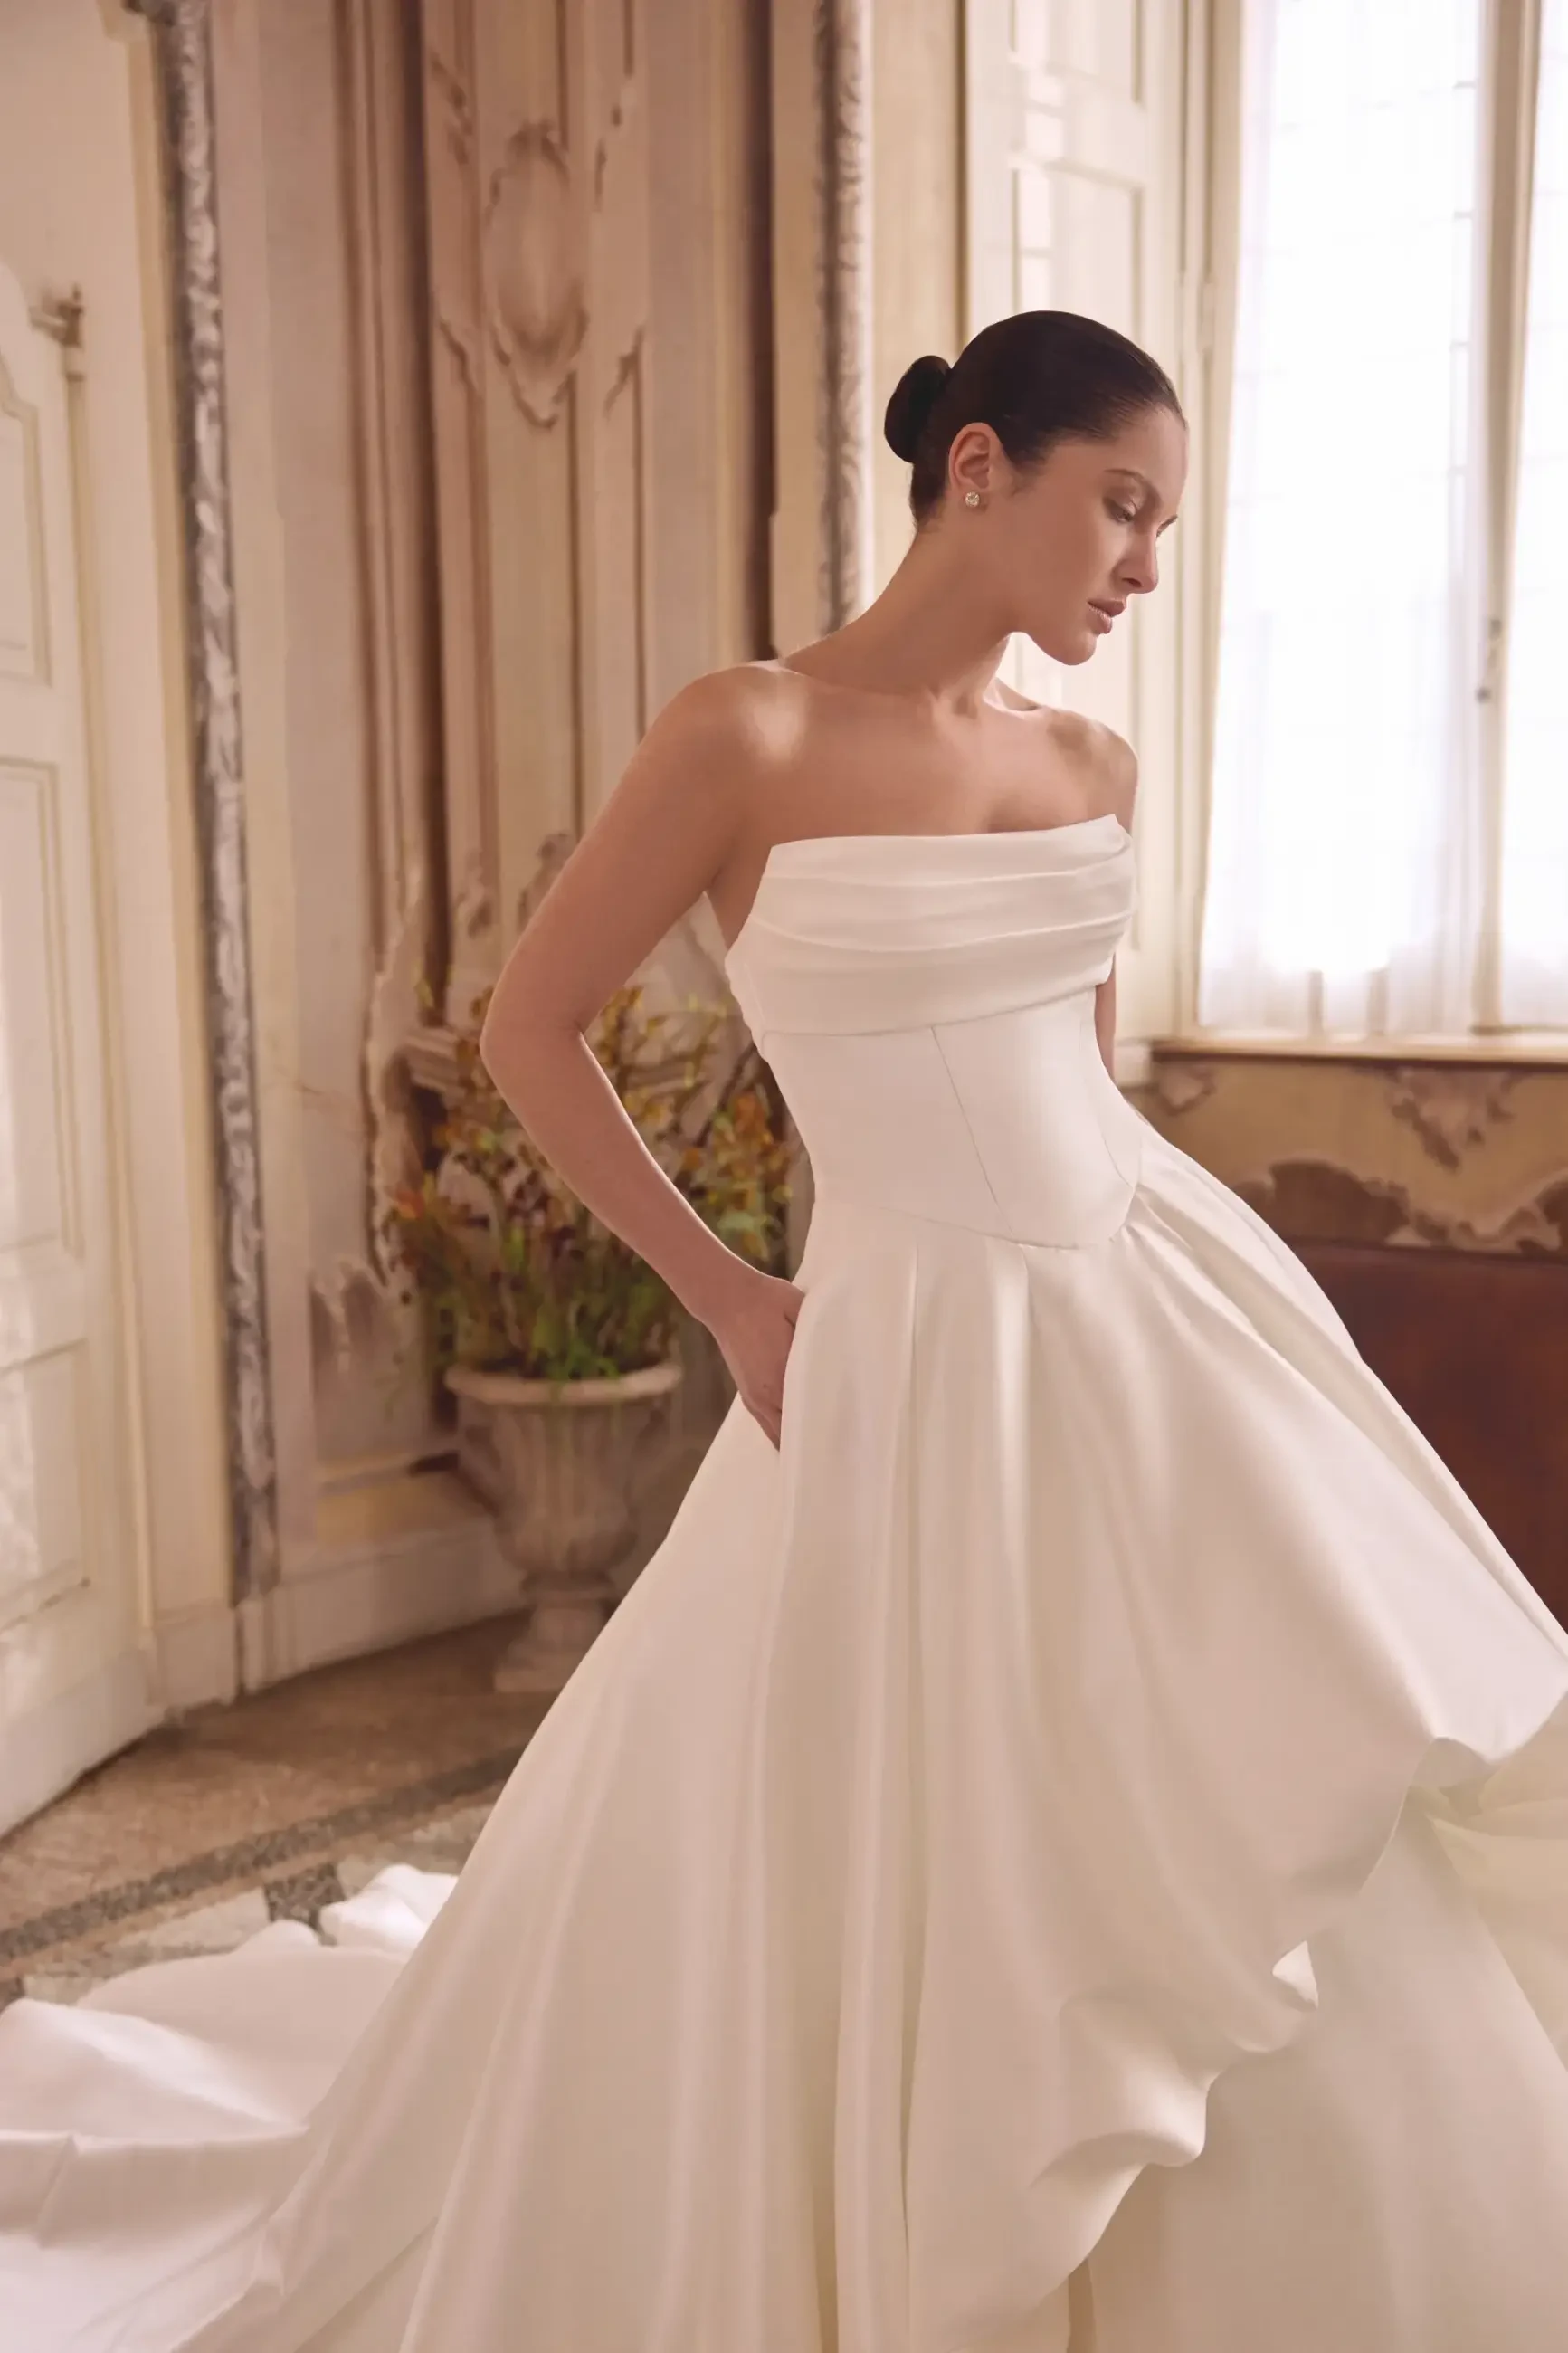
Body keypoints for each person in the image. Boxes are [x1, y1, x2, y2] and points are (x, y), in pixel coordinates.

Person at [4, 308, 1568, 2353]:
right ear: (980, 465)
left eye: (1166, 528)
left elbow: (1081, 1083)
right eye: (1121, 505)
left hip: (1147, 1314)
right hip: (901, 1337)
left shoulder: (1087, 759)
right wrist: (735, 1297)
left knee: (1251, 1775)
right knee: (891, 1817)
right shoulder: (742, 733)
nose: (1142, 567)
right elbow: (527, 1030)